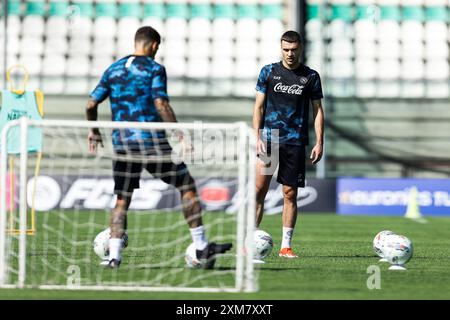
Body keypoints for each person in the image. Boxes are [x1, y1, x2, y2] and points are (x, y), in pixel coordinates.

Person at [86, 26, 232, 268]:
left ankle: (114, 257)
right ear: (154, 45)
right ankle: (201, 245)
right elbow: (161, 102)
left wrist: (94, 131)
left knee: (122, 200)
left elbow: (91, 104)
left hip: (122, 145)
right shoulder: (154, 69)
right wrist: (179, 134)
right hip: (152, 143)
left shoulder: (112, 70)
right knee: (186, 185)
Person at [252, 30, 324, 258]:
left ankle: (285, 246)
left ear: (300, 48)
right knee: (258, 190)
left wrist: (319, 141)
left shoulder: (311, 76)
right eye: (286, 49)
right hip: (270, 139)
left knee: (289, 193)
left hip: (295, 142)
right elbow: (259, 107)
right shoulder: (269, 72)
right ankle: (249, 240)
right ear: (280, 48)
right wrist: (257, 137)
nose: (290, 54)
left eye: (293, 50)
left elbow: (318, 111)